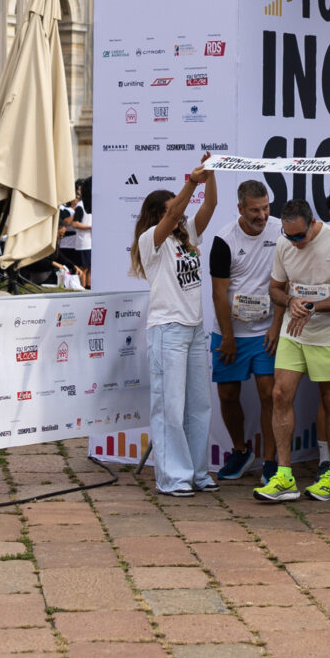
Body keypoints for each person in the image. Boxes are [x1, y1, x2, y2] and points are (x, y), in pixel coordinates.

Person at [256, 196, 330, 502]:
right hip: (293, 331)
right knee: (279, 394)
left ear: (314, 223)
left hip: (329, 334)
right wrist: (291, 301)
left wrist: (314, 307)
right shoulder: (284, 243)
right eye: (289, 236)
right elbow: (275, 288)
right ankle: (284, 476)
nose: (295, 242)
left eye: (300, 236)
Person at [136, 165, 217, 495]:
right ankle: (173, 477)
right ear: (159, 213)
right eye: (173, 209)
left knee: (198, 406)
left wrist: (212, 174)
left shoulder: (188, 236)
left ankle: (197, 473)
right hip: (167, 330)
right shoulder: (150, 240)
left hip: (194, 329)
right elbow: (173, 215)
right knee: (169, 407)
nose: (182, 213)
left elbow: (210, 205)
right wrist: (191, 182)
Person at [208, 180, 286, 484]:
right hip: (230, 332)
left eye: (265, 208)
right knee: (227, 394)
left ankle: (270, 461)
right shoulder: (224, 239)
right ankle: (240, 451)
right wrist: (228, 337)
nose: (262, 215)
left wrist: (276, 326)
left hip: (265, 331)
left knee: (270, 393)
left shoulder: (280, 231)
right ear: (240, 208)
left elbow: (286, 281)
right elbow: (218, 293)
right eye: (255, 210)